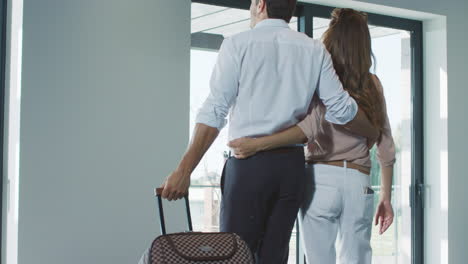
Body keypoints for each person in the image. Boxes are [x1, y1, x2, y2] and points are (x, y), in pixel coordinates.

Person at [158, 1, 374, 263]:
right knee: (274, 256)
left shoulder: (237, 44)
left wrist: (184, 170)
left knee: (235, 254)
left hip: (249, 165)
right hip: (291, 168)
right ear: (291, 10)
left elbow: (215, 110)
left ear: (260, 4)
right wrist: (373, 129)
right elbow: (341, 109)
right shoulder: (314, 50)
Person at [228, 8, 395, 264]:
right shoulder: (373, 84)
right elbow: (386, 146)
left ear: (331, 38)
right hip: (358, 181)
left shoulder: (321, 76)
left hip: (320, 178)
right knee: (358, 258)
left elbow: (309, 128)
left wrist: (257, 144)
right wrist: (386, 197)